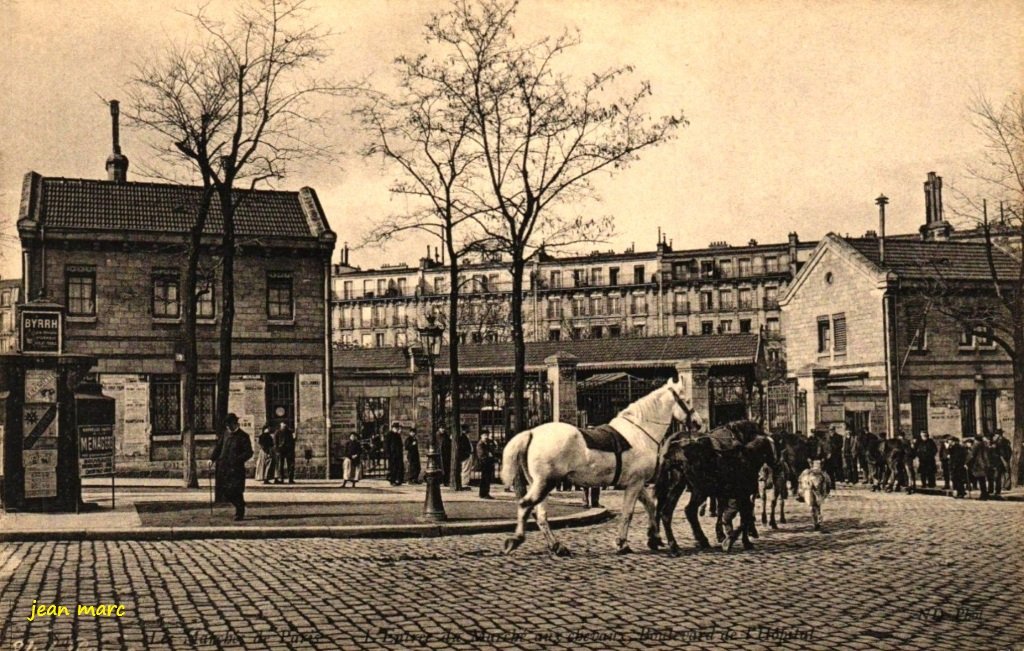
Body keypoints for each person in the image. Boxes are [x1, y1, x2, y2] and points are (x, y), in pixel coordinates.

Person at [210, 413, 253, 520]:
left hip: (236, 469)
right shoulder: (225, 434)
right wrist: (212, 459)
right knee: (225, 491)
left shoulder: (243, 436)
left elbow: (249, 452)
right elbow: (218, 447)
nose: (228, 427)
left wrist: (237, 459)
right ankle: (240, 505)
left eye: (229, 425)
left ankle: (240, 512)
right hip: (224, 468)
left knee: (236, 490)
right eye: (226, 425)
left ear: (235, 424)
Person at [967, 434, 990, 500]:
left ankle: (983, 495)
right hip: (984, 463)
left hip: (978, 464)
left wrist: (966, 462)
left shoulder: (976, 445)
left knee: (981, 480)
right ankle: (985, 494)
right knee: (982, 480)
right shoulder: (984, 444)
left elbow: (971, 455)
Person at [273, 420, 296, 484]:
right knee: (280, 465)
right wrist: (277, 450)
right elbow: (275, 442)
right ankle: (281, 478)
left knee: (290, 465)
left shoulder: (290, 432)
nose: (284, 425)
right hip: (280, 450)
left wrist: (292, 449)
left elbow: (292, 441)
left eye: (285, 424)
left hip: (289, 450)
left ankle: (290, 479)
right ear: (280, 425)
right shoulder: (277, 432)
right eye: (283, 424)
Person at [476, 432, 496, 499]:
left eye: (487, 435)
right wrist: (488, 454)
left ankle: (486, 493)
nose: (486, 437)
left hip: (488, 463)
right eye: (484, 435)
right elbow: (481, 454)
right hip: (484, 463)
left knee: (487, 479)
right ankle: (483, 494)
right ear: (481, 436)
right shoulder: (480, 444)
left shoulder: (486, 443)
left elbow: (492, 449)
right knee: (484, 479)